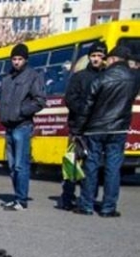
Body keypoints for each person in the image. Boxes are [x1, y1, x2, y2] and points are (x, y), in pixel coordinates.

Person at [77, 45, 140, 217]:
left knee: (91, 166)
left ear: (112, 59)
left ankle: (86, 205)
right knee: (113, 168)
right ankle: (108, 208)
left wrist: (79, 129)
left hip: (95, 129)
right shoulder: (134, 79)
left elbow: (87, 106)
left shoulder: (100, 78)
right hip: (119, 129)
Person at [0, 43, 46, 211]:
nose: (16, 62)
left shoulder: (33, 76)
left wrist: (21, 111)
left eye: (19, 59)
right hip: (9, 126)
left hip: (22, 125)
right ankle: (17, 196)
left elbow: (40, 100)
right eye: (14, 59)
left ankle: (21, 199)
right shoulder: (7, 78)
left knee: (20, 165)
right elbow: (2, 101)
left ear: (25, 60)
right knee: (11, 166)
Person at [61, 42, 106, 211]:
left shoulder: (106, 76)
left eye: (99, 56)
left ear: (104, 58)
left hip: (96, 128)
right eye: (93, 56)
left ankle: (88, 198)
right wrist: (84, 110)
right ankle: (67, 197)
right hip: (77, 127)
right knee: (71, 164)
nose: (96, 59)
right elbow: (70, 99)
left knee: (92, 166)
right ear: (89, 57)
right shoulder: (79, 77)